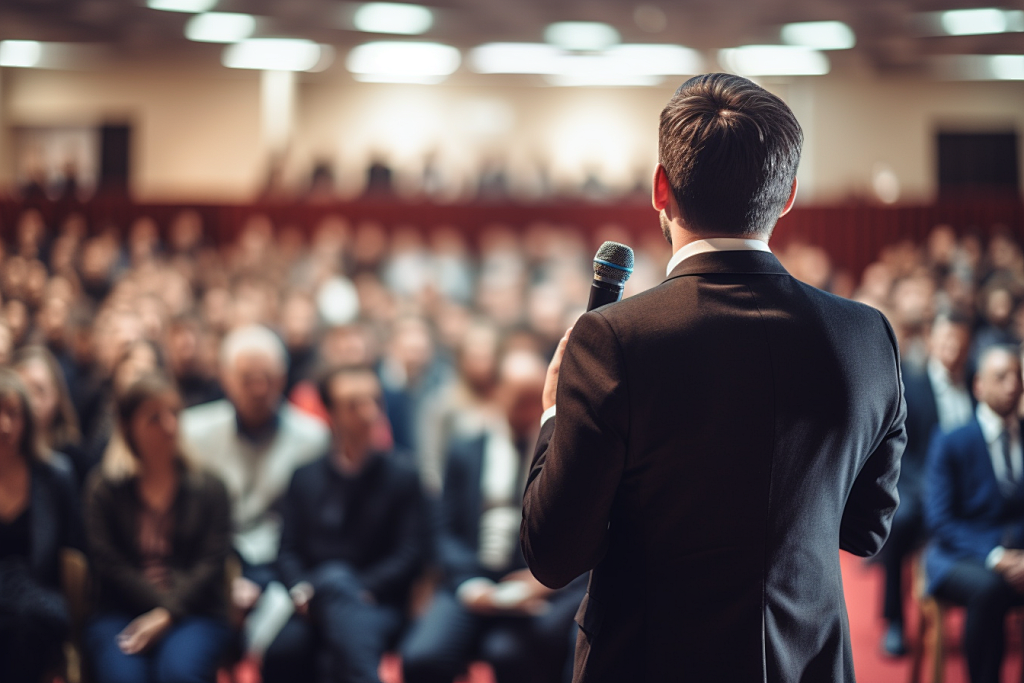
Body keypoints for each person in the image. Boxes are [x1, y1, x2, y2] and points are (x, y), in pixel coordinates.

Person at [520, 72, 906, 682]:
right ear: (787, 197)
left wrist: (552, 415)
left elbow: (552, 554)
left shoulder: (614, 340)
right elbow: (865, 529)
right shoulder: (866, 336)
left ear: (659, 188)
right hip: (805, 663)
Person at [403, 350, 586, 683]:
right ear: (497, 391)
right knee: (421, 658)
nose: (529, 410)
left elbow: (578, 533)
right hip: (473, 579)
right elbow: (442, 530)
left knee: (510, 656)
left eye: (536, 399)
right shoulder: (466, 447)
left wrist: (540, 584)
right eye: (520, 399)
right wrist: (472, 586)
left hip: (533, 584)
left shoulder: (562, 450)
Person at [264, 365, 429, 683]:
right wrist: (301, 593)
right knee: (282, 653)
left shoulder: (403, 475)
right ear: (330, 413)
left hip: (376, 599)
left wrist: (363, 588)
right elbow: (287, 550)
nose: (369, 413)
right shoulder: (305, 476)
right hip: (313, 600)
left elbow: (410, 553)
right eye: (354, 404)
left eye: (374, 402)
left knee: (335, 615)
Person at [179, 324, 329, 659]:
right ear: (226, 379)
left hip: (280, 562)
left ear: (283, 377)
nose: (259, 388)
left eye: (269, 377)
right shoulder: (193, 431)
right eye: (247, 378)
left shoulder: (313, 436)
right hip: (214, 559)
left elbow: (309, 525)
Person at [83, 373, 232, 683]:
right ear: (126, 427)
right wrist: (159, 607)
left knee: (179, 673)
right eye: (154, 418)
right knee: (124, 677)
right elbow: (108, 564)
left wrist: (168, 613)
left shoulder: (210, 487)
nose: (170, 426)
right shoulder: (104, 488)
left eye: (174, 414)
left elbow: (210, 563)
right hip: (121, 609)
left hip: (194, 610)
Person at [923, 345, 1024, 683]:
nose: (1013, 384)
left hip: (1018, 554)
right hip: (958, 555)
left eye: (1018, 376)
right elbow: (940, 521)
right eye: (1002, 376)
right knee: (990, 588)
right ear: (979, 386)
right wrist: (995, 555)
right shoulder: (952, 440)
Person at [879, 311, 974, 655]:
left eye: (959, 343)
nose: (952, 349)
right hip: (922, 486)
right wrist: (931, 488)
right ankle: (894, 621)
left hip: (968, 491)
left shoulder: (976, 385)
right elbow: (905, 451)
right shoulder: (913, 386)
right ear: (932, 342)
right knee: (899, 524)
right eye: (945, 340)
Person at [0, 369, 83, 683]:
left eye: (13, 414)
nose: (4, 426)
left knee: (30, 623)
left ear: (27, 420)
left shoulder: (55, 475)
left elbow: (75, 548)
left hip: (39, 593)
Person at [12, 345, 86, 485]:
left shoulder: (72, 456)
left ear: (57, 395)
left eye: (39, 390)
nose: (31, 402)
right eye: (23, 392)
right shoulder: (6, 453)